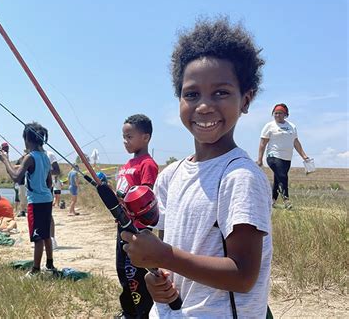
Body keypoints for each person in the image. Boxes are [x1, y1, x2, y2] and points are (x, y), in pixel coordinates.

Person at [121, 17, 272, 318]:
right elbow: (170, 256)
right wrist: (156, 275)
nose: (204, 106)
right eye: (191, 94)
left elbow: (243, 276)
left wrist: (166, 256)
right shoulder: (170, 176)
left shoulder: (240, 177)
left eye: (221, 92)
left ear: (246, 99)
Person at [115, 114, 159, 319]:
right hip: (122, 226)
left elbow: (145, 195)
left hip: (137, 229)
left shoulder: (147, 164)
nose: (125, 141)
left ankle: (142, 312)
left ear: (146, 137)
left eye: (129, 137)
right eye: (123, 137)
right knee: (122, 269)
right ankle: (128, 311)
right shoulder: (126, 165)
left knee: (135, 273)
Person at [0, 121, 55, 274]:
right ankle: (50, 265)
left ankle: (35, 270)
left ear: (27, 139)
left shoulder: (30, 158)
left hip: (35, 203)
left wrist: (5, 161)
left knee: (37, 237)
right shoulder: (45, 157)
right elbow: (49, 182)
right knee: (46, 235)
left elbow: (16, 177)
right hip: (47, 200)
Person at [257, 103, 310, 209]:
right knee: (283, 176)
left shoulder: (291, 126)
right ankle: (286, 200)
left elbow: (295, 142)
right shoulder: (270, 126)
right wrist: (260, 159)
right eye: (275, 113)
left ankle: (272, 201)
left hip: (286, 158)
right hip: (273, 156)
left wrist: (303, 155)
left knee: (278, 179)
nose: (277, 115)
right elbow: (263, 143)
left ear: (285, 114)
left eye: (280, 113)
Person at [46, 150, 61, 250]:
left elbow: (57, 170)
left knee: (48, 213)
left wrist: (44, 170)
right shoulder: (31, 155)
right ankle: (41, 239)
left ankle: (52, 239)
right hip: (35, 188)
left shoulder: (49, 154)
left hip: (47, 186)